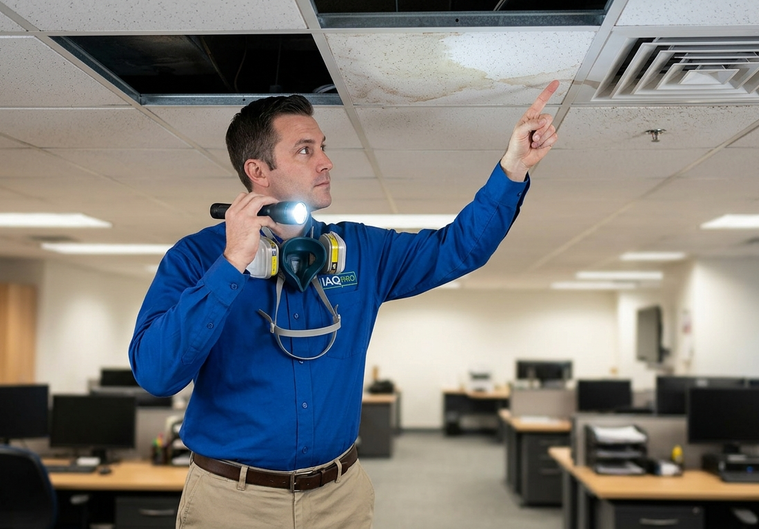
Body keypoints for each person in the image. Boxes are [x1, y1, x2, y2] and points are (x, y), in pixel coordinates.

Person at [129, 80, 560, 529]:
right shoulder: (196, 259)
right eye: (305, 150)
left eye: (323, 147)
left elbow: (458, 248)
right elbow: (157, 374)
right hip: (233, 503)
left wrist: (512, 168)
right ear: (258, 170)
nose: (326, 161)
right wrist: (231, 265)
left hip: (340, 499)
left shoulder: (358, 249)